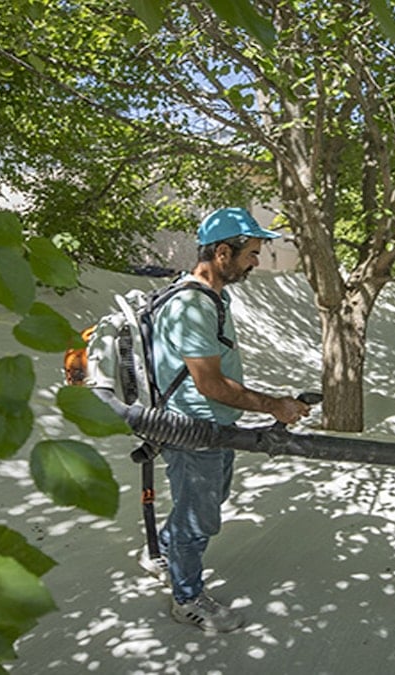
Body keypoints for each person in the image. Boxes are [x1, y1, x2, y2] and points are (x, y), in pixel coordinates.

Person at [143, 207, 310, 633]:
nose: (256, 261)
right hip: (193, 428)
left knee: (207, 504)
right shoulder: (191, 306)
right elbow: (211, 385)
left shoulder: (216, 295)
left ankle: (165, 551)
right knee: (199, 518)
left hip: (217, 427)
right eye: (251, 253)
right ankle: (186, 597)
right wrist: (275, 405)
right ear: (222, 253)